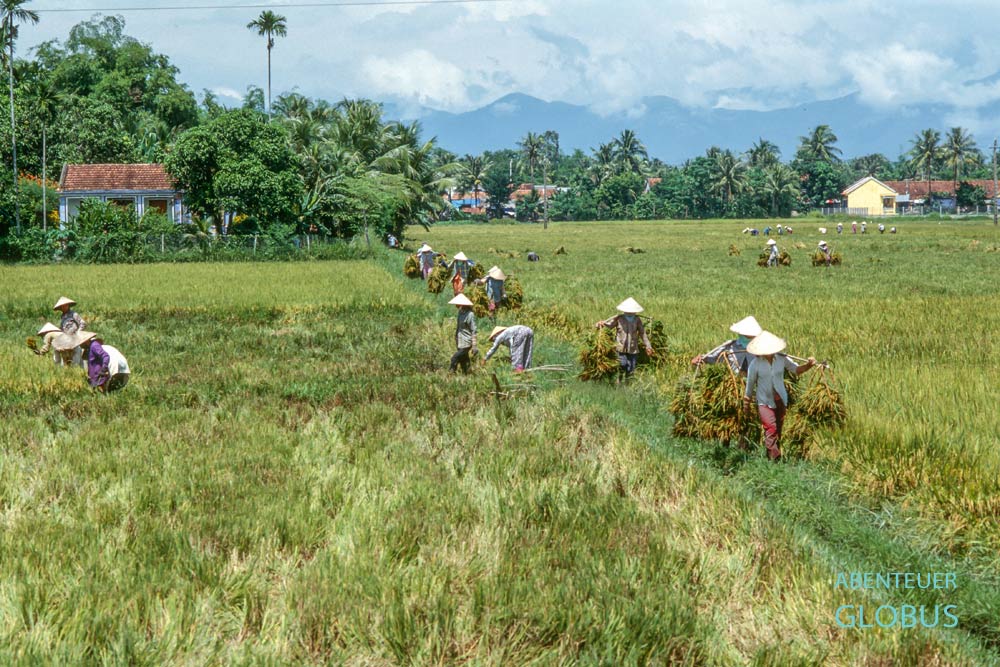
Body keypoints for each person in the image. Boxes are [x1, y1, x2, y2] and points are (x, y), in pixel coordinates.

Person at [743, 331, 817, 460]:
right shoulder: (755, 364)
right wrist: (746, 402)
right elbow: (750, 385)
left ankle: (770, 455)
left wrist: (809, 365)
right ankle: (776, 458)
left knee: (778, 429)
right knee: (770, 428)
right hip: (764, 402)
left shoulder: (782, 359)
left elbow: (796, 370)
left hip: (781, 399)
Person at [596, 297, 653, 380]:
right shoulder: (619, 318)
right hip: (620, 347)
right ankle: (619, 379)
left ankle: (627, 383)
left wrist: (648, 346)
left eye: (632, 311)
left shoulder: (637, 320)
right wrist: (601, 324)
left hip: (633, 348)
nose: (630, 312)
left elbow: (642, 333)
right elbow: (610, 326)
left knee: (631, 368)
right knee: (622, 364)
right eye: (628, 311)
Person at [691, 315, 761, 375]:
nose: (749, 337)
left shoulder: (761, 349)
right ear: (741, 334)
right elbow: (713, 358)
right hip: (735, 383)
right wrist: (701, 359)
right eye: (747, 335)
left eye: (751, 335)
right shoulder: (730, 346)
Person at [448, 293, 477, 374]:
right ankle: (467, 376)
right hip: (460, 341)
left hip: (466, 342)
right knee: (463, 361)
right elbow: (458, 327)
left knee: (454, 358)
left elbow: (474, 330)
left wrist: (474, 346)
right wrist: (456, 337)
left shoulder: (470, 314)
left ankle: (450, 374)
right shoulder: (460, 312)